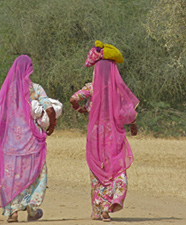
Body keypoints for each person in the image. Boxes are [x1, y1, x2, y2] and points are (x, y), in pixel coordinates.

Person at [70, 41, 139, 222]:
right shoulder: (117, 89)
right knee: (116, 167)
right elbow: (129, 112)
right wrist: (133, 125)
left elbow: (73, 98)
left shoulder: (91, 88)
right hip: (113, 134)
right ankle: (115, 198)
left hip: (95, 136)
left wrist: (80, 109)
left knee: (98, 171)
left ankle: (100, 210)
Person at [0, 55, 56, 223]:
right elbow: (50, 109)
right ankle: (32, 209)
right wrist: (52, 125)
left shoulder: (8, 90)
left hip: (11, 142)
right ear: (29, 69)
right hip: (32, 141)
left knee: (11, 175)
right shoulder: (36, 89)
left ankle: (12, 211)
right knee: (37, 173)